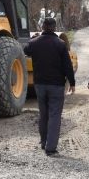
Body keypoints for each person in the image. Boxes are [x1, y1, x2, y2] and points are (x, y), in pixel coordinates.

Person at [23, 17, 75, 156]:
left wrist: (33, 38)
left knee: (43, 114)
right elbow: (67, 65)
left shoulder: (34, 42)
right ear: (54, 27)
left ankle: (43, 142)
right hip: (57, 85)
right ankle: (50, 148)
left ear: (42, 27)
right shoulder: (60, 44)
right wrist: (72, 82)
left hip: (39, 84)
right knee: (54, 115)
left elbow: (26, 50)